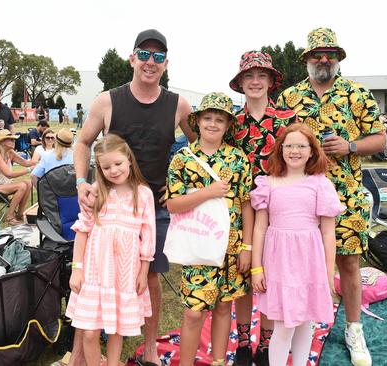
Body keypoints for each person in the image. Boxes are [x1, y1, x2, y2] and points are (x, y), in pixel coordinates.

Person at [72, 28, 195, 366]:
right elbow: (83, 142)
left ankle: (151, 347)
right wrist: (82, 181)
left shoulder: (178, 104)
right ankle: (82, 353)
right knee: (96, 274)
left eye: (158, 56)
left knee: (149, 276)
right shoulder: (107, 101)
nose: (150, 62)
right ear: (132, 58)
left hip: (151, 204)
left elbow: (199, 148)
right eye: (144, 54)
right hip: (107, 204)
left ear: (166, 63)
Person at [277, 27, 386, 366]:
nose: (324, 59)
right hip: (298, 197)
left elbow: (380, 139)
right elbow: (276, 140)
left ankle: (354, 329)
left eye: (330, 54)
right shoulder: (288, 98)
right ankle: (295, 328)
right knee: (296, 264)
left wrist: (350, 146)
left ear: (338, 58)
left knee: (349, 263)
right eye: (317, 54)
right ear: (306, 59)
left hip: (346, 194)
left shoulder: (357, 94)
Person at [166, 92, 252, 366]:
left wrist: (247, 246)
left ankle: (218, 360)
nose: (213, 124)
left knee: (225, 306)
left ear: (228, 125)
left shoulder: (238, 158)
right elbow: (173, 204)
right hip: (199, 244)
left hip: (231, 246)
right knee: (194, 311)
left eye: (219, 119)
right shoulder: (183, 159)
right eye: (207, 118)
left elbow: (247, 204)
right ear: (197, 121)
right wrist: (209, 192)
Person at [251, 123, 342, 365]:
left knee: (305, 320)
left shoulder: (320, 184)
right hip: (279, 261)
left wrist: (327, 270)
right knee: (283, 323)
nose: (294, 151)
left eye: (301, 146)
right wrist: (256, 267)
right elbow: (260, 228)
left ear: (312, 151)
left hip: (309, 261)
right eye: (289, 145)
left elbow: (328, 233)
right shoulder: (268, 183)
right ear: (280, 150)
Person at [226, 50, 295, 366]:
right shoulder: (231, 123)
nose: (255, 81)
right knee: (242, 276)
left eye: (261, 76)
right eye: (249, 76)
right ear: (241, 83)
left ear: (270, 81)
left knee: (270, 278)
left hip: (277, 210)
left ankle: (265, 345)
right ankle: (242, 343)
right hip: (239, 211)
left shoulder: (288, 120)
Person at [66, 133, 155, 366]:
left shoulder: (143, 194)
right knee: (89, 332)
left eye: (118, 164)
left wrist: (143, 272)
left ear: (128, 160)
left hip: (125, 273)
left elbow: (148, 237)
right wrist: (77, 269)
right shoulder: (96, 192)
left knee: (117, 328)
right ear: (99, 169)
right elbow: (82, 231)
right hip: (95, 273)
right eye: (106, 167)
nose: (113, 170)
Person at [0, 129, 35, 226]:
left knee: (28, 183)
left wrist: (42, 160)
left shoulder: (10, 152)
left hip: (4, 185)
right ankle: (9, 217)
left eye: (14, 139)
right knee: (21, 186)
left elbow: (26, 163)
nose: (14, 141)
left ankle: (20, 214)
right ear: (2, 142)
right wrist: (29, 170)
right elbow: (9, 174)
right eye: (11, 140)